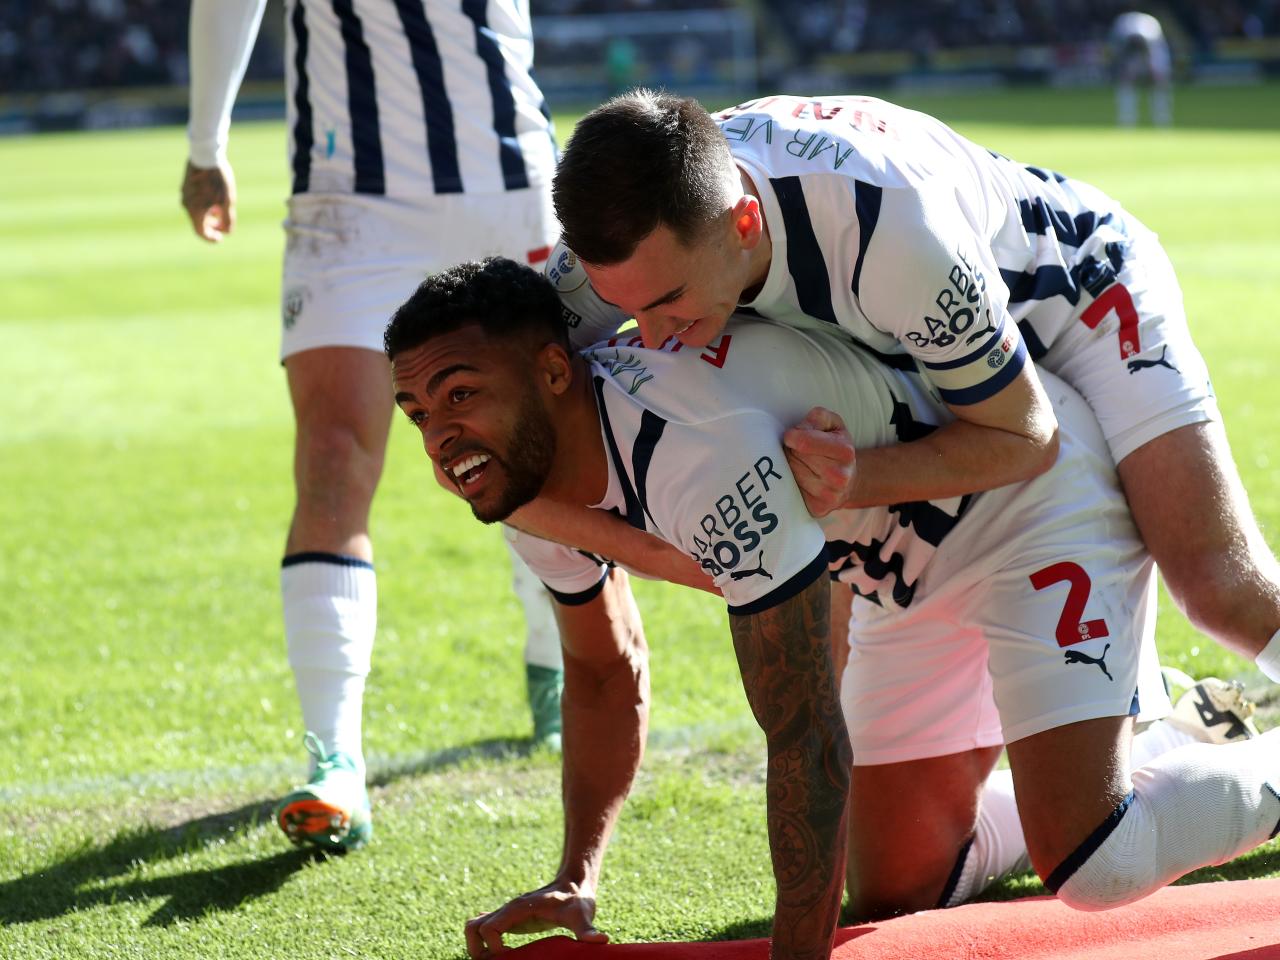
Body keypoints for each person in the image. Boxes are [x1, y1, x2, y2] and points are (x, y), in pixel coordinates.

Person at [384, 258, 1279, 955]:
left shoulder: (697, 449)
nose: (439, 439)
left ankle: (1215, 758)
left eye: (461, 394)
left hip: (1028, 505)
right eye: (417, 411)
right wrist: (578, 876)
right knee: (896, 891)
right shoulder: (522, 483)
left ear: (552, 371)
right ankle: (1158, 732)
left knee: (1096, 861)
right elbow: (602, 671)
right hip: (891, 568)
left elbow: (805, 737)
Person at [544, 90, 1280, 690]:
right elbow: (501, 371)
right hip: (915, 339)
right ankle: (1165, 741)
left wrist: (852, 478)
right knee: (891, 867)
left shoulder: (888, 233)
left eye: (666, 300)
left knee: (1219, 586)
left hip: (1076, 296)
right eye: (625, 306)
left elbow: (1025, 435)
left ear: (744, 224)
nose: (650, 331)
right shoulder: (635, 239)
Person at [179, 0, 567, 852]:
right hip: (350, 199)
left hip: (507, 182)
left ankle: (555, 662)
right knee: (330, 456)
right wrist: (207, 142)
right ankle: (334, 762)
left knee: (538, 454)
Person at [1110, 11, 1173, 127]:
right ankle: (1127, 120)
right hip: (1130, 54)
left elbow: (1155, 54)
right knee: (1126, 82)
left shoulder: (1151, 30)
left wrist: (1153, 68)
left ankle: (1161, 118)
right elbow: (1118, 50)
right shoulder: (1123, 27)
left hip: (1153, 52)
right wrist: (1126, 68)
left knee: (1158, 83)